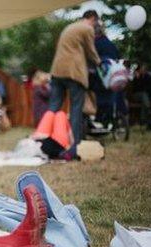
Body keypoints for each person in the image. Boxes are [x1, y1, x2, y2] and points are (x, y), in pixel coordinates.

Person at [48, 10, 101, 160]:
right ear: (92, 18)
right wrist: (99, 62)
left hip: (57, 70)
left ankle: (47, 140)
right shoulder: (87, 28)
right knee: (76, 109)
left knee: (54, 107)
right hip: (73, 72)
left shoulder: (70, 27)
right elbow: (91, 51)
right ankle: (74, 146)